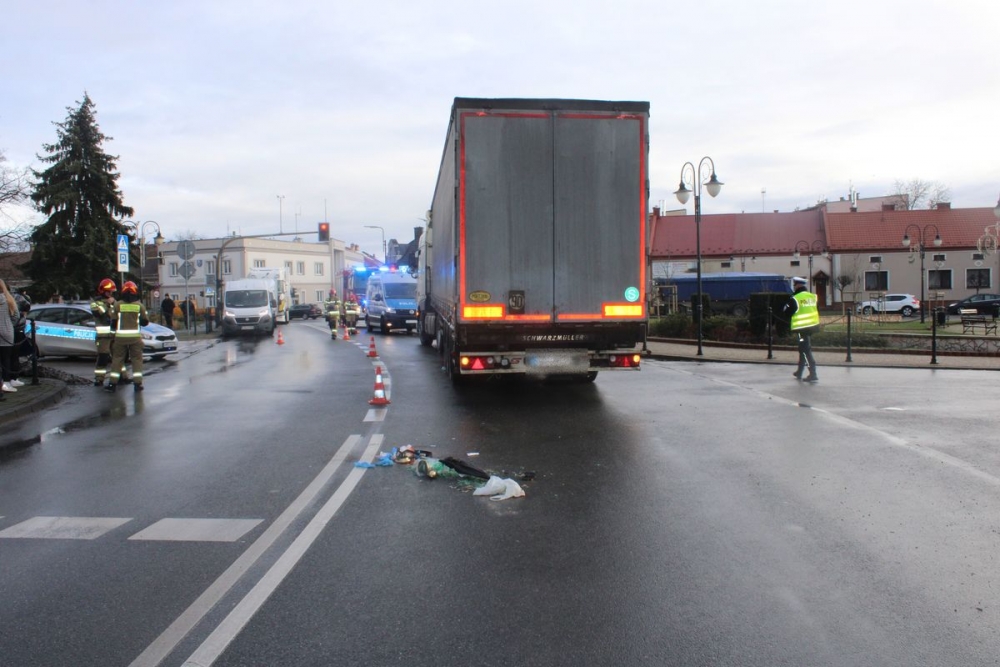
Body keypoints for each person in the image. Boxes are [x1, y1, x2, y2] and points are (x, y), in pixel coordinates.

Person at [106, 281, 150, 393]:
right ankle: (138, 384)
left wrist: (112, 336)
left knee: (117, 360)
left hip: (120, 339)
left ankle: (112, 384)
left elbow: (113, 322)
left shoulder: (118, 305)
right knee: (137, 360)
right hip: (135, 339)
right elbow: (145, 322)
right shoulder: (139, 306)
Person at [784, 276, 820, 382]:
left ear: (798, 285)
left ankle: (813, 373)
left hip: (802, 328)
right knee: (803, 349)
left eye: (795, 285)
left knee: (805, 350)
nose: (794, 287)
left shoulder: (796, 298)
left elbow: (787, 312)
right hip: (811, 327)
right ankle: (800, 371)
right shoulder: (812, 296)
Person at [90, 278, 118, 387]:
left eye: (111, 292)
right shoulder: (96, 303)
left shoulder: (114, 302)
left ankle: (121, 377)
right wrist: (109, 304)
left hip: (114, 335)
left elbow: (116, 315)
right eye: (108, 291)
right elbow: (103, 315)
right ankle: (99, 379)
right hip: (103, 336)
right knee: (103, 357)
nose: (110, 294)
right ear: (103, 291)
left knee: (118, 357)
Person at [0, 280, 21, 397]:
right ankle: (7, 382)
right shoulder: (9, 300)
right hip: (7, 332)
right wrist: (9, 325)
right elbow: (16, 316)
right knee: (6, 358)